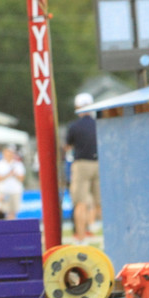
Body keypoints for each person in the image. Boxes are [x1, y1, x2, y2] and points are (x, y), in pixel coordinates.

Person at [65, 92, 101, 243]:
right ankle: (94, 228)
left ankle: (81, 236)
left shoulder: (74, 127)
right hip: (99, 163)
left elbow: (67, 147)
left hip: (81, 164)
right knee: (98, 202)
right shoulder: (99, 123)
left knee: (80, 203)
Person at [0, 145, 26, 219]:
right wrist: (8, 175)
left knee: (14, 212)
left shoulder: (18, 164)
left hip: (15, 191)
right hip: (3, 191)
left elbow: (22, 178)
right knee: (3, 211)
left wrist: (14, 174)